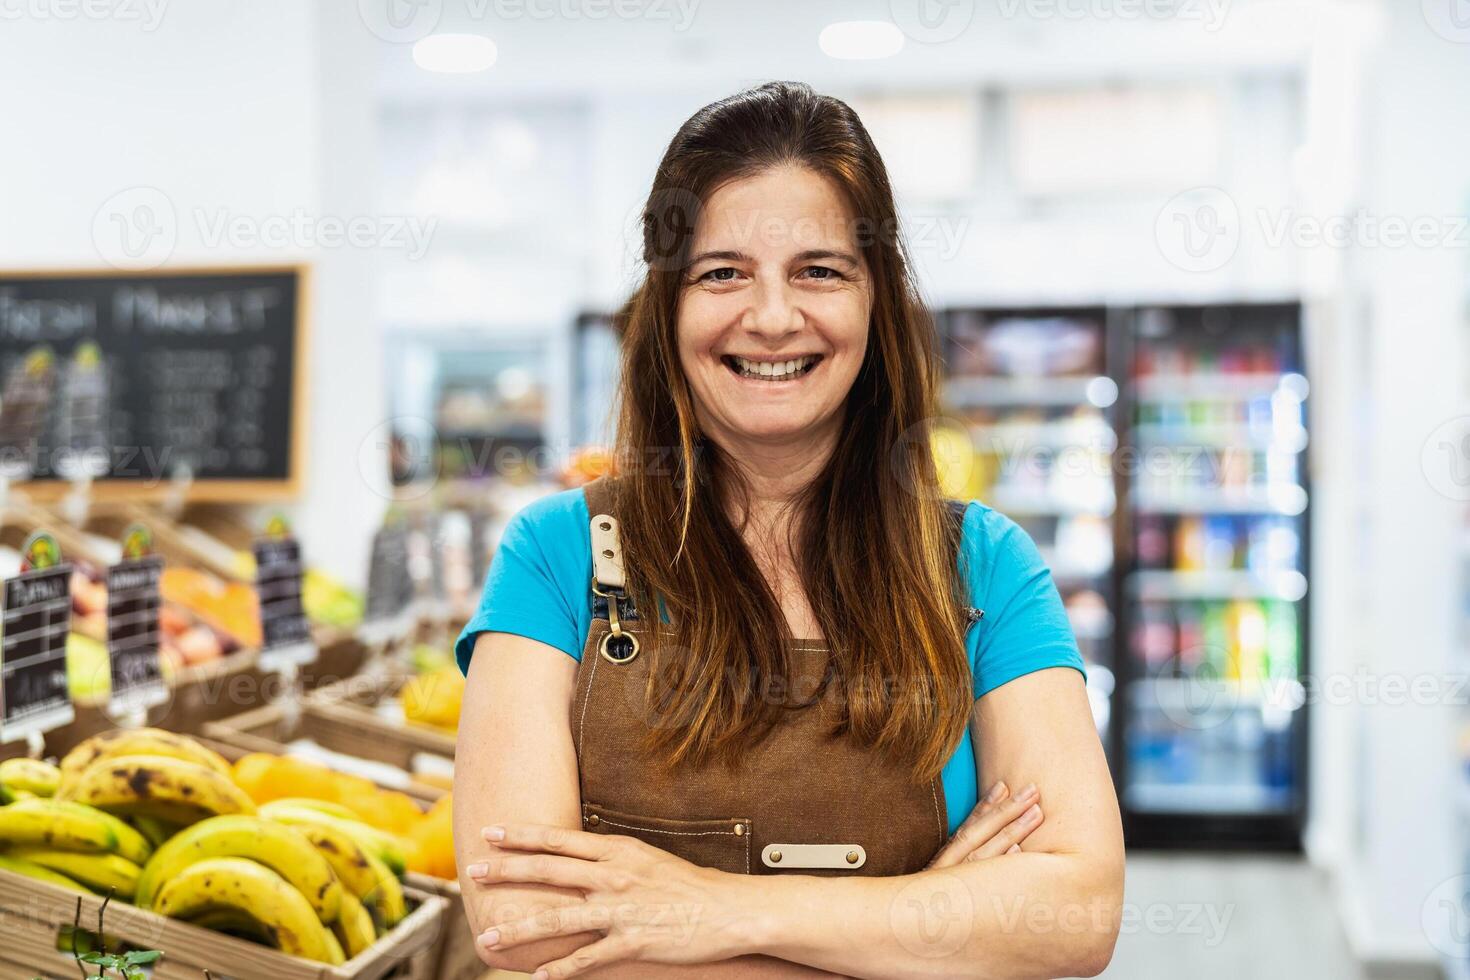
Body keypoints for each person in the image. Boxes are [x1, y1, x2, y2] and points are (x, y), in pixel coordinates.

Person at [453, 80, 1123, 979]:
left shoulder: (983, 567)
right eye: (722, 272)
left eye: (819, 270)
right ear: (668, 307)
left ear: (875, 301)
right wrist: (919, 925)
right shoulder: (557, 556)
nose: (771, 317)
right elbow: (526, 927)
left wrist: (713, 911)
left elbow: (1074, 915)